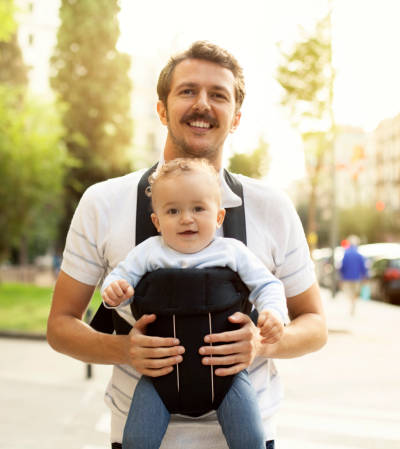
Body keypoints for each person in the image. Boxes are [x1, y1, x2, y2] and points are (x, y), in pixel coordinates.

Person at [47, 41, 327, 449]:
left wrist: (264, 341)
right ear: (161, 109)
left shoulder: (272, 206)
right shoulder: (103, 202)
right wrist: (125, 349)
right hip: (139, 434)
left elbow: (315, 326)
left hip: (249, 434)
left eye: (218, 95)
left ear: (235, 118)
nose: (202, 104)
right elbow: (60, 326)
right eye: (187, 91)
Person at [102, 158, 287, 449]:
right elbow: (118, 278)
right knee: (136, 441)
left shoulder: (233, 252)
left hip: (226, 377)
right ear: (157, 221)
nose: (186, 218)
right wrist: (114, 291)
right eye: (173, 210)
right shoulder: (148, 252)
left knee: (252, 440)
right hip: (159, 377)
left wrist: (273, 313)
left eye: (198, 208)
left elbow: (268, 285)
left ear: (219, 216)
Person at [339, 235, 368, 316]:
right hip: (356, 277)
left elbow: (342, 266)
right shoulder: (359, 254)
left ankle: (352, 303)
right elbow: (363, 267)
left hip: (347, 277)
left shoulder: (346, 254)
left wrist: (341, 276)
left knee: (348, 292)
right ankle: (353, 303)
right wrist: (365, 276)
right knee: (355, 292)